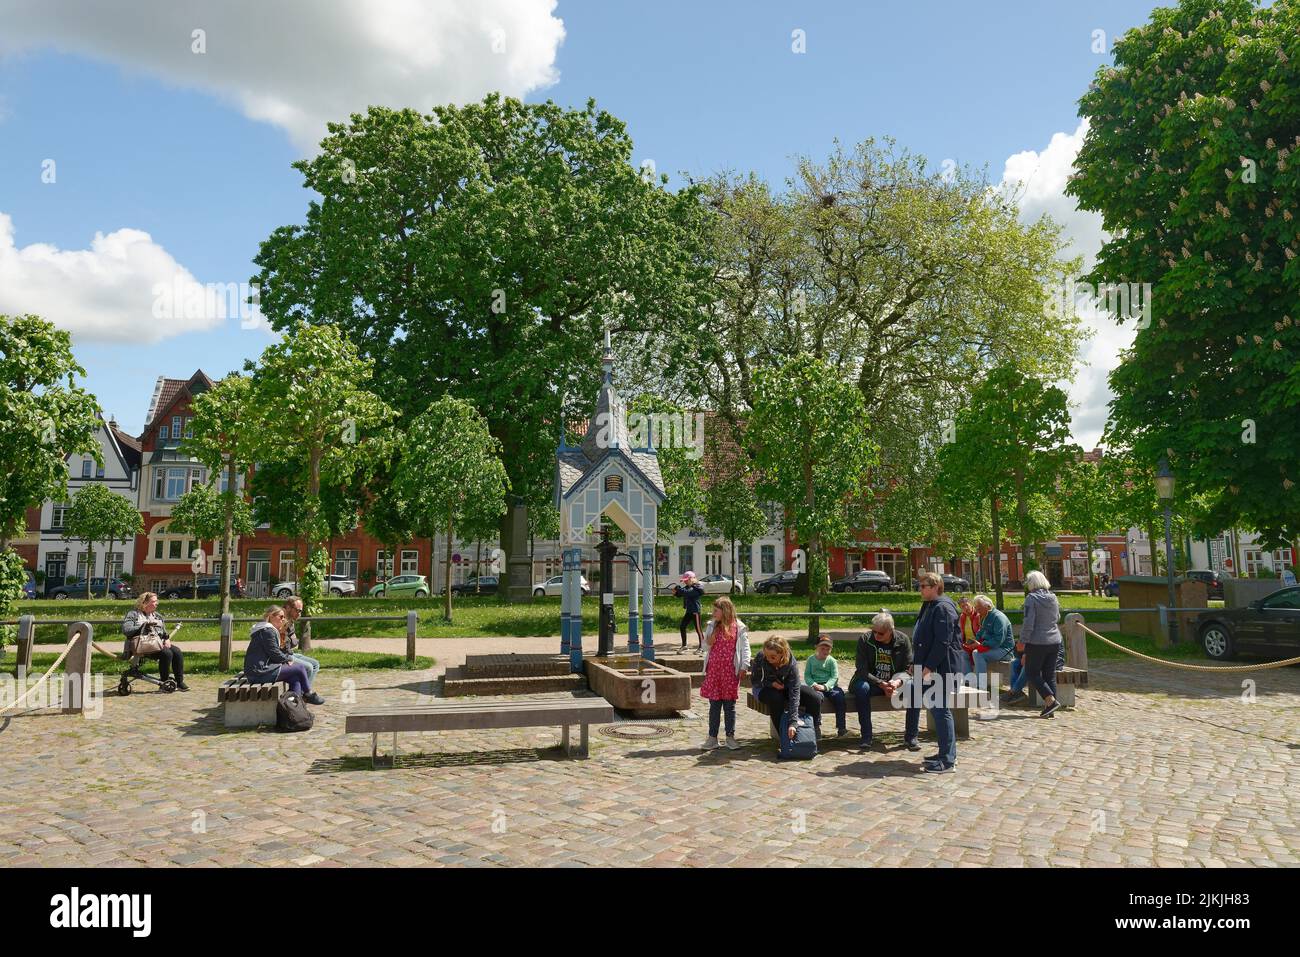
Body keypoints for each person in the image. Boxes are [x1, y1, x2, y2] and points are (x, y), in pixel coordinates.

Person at [911, 571, 964, 772]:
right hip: (930, 666)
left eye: (924, 586)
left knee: (941, 712)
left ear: (935, 587)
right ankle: (945, 752)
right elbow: (923, 638)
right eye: (920, 586)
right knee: (938, 710)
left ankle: (948, 760)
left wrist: (928, 667)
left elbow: (943, 642)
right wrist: (915, 662)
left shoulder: (943, 608)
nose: (920, 590)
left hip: (942, 668)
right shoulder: (930, 605)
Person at [848, 612, 919, 751]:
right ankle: (866, 737)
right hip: (871, 682)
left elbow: (909, 668)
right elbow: (861, 669)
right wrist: (881, 683)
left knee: (913, 687)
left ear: (890, 630)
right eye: (873, 631)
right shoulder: (865, 639)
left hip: (895, 682)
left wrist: (896, 683)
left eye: (880, 633)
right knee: (862, 688)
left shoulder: (903, 640)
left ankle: (911, 737)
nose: (876, 635)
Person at [243, 606, 324, 705]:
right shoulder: (267, 631)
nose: (283, 619)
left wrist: (286, 658)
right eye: (280, 617)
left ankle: (294, 706)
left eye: (284, 617)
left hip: (260, 669)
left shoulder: (265, 629)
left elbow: (274, 652)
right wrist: (288, 658)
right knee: (300, 668)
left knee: (295, 678)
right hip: (259, 672)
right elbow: (274, 653)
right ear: (271, 616)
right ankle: (308, 693)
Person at [699, 596, 751, 751]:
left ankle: (730, 736)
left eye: (716, 610)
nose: (713, 613)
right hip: (714, 671)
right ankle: (712, 737)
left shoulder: (738, 627)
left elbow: (745, 648)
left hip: (730, 672)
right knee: (714, 705)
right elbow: (704, 647)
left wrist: (744, 665)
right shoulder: (712, 626)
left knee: (729, 706)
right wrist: (709, 641)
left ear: (725, 610)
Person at [750, 635, 820, 741]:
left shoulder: (791, 664)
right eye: (767, 656)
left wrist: (793, 722)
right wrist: (772, 684)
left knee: (814, 697)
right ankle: (783, 737)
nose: (768, 659)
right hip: (764, 688)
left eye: (773, 657)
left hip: (786, 688)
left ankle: (810, 731)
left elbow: (794, 692)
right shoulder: (761, 656)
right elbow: (755, 680)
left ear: (782, 654)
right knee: (776, 699)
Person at [121, 592, 189, 691]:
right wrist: (144, 625)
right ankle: (164, 682)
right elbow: (126, 630)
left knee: (177, 652)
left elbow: (164, 632)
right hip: (140, 646)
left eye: (157, 601)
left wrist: (166, 639)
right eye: (154, 601)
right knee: (167, 653)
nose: (156, 603)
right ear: (144, 603)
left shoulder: (157, 616)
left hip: (157, 643)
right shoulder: (133, 614)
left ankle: (179, 682)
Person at [1019, 570, 1064, 718]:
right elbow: (1057, 617)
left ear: (1031, 583)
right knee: (1049, 674)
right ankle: (1050, 708)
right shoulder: (1053, 597)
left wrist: (1022, 641)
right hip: (1054, 640)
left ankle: (1050, 701)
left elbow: (1028, 624)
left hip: (1037, 641)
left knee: (1031, 672)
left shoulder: (1031, 599)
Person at [803, 635, 848, 737]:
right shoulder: (811, 660)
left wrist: (826, 687)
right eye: (822, 648)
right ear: (816, 647)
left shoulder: (831, 661)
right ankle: (816, 726)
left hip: (830, 686)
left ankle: (841, 727)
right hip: (816, 686)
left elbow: (834, 677)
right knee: (815, 699)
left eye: (828, 649)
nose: (825, 651)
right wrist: (814, 684)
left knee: (840, 698)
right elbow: (807, 676)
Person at [968, 594, 1015, 683]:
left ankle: (981, 685)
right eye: (976, 608)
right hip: (993, 648)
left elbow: (998, 641)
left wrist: (981, 645)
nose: (977, 611)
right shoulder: (984, 617)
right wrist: (974, 641)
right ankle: (975, 681)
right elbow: (980, 632)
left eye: (979, 608)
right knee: (969, 652)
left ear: (988, 606)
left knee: (978, 654)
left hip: (1005, 651)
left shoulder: (998, 618)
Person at [280, 596, 320, 684]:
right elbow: (281, 647)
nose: (299, 614)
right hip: (282, 656)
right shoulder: (281, 621)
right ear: (288, 608)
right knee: (309, 667)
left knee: (315, 664)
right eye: (297, 610)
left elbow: (293, 642)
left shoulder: (289, 621)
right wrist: (288, 658)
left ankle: (304, 693)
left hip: (288, 653)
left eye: (300, 611)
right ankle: (304, 693)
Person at [672, 571, 706, 652]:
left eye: (686, 580)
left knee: (698, 630)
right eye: (684, 580)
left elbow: (687, 593)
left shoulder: (697, 588)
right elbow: (682, 593)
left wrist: (679, 590)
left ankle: (702, 647)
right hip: (689, 611)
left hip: (695, 612)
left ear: (692, 579)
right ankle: (684, 646)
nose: (685, 581)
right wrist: (676, 593)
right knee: (682, 626)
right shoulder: (688, 587)